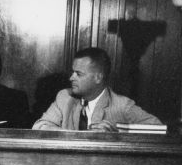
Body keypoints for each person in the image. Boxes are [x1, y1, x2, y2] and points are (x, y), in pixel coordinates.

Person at [33, 47, 162, 131]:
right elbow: (39, 126)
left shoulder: (122, 105)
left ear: (98, 78)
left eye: (79, 74)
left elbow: (158, 129)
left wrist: (117, 132)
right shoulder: (65, 96)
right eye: (72, 72)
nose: (71, 78)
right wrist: (74, 135)